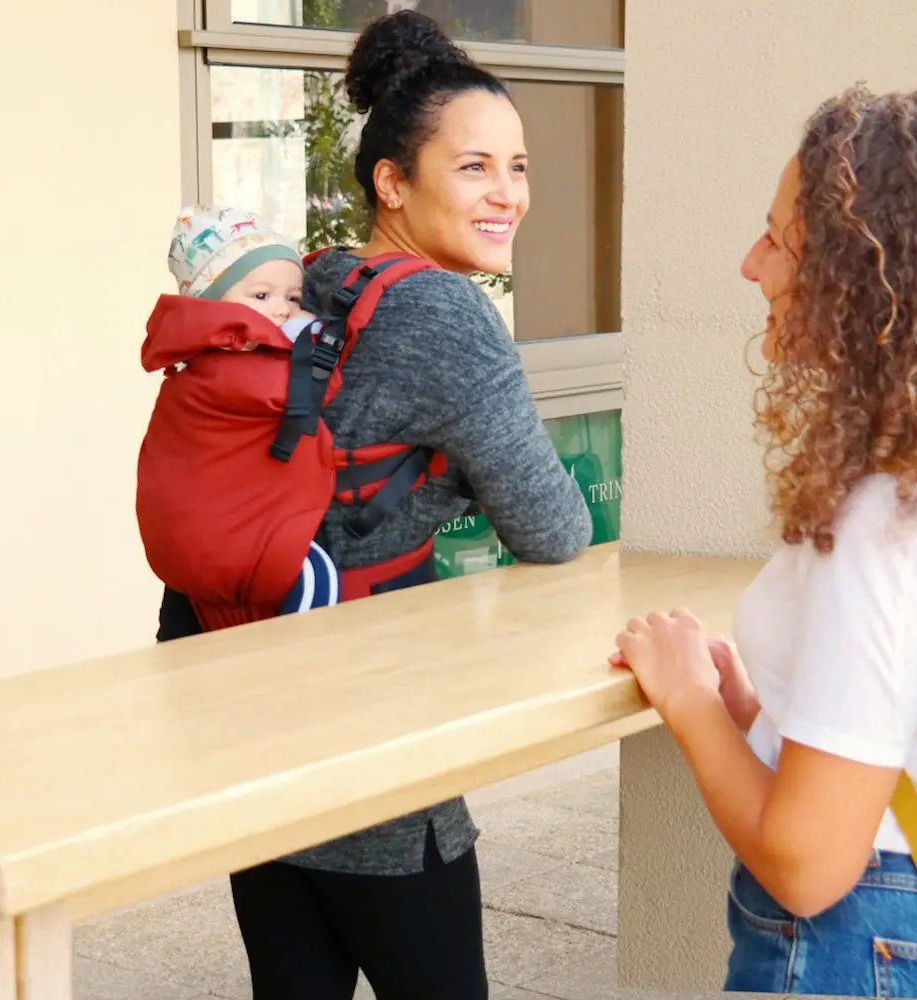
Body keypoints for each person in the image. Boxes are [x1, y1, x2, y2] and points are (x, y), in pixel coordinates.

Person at [154, 9, 592, 1000]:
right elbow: (555, 528)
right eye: (474, 167)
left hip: (250, 735)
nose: (508, 194)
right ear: (392, 182)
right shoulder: (446, 314)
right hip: (372, 756)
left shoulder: (312, 281)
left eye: (517, 166)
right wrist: (459, 485)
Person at [613, 86, 917, 998]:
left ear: (862, 283)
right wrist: (758, 712)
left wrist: (689, 702)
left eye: (778, 240)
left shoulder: (887, 529)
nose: (751, 265)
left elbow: (807, 866)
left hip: (855, 950)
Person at [139, 204, 342, 632]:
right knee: (316, 576)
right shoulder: (229, 363)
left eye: (293, 298)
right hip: (237, 546)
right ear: (212, 301)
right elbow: (311, 393)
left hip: (208, 540)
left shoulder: (192, 361)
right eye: (261, 296)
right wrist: (313, 338)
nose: (283, 310)